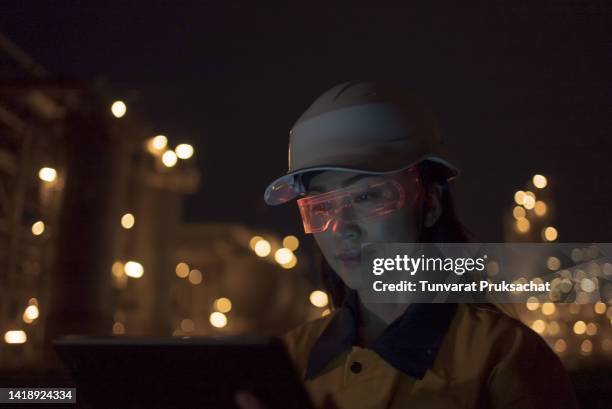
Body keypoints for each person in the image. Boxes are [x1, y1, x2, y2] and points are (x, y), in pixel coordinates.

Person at [236, 82, 578, 409]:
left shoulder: (504, 359)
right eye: (321, 207)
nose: (342, 227)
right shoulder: (289, 361)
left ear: (430, 204)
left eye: (368, 196)